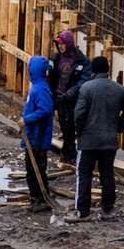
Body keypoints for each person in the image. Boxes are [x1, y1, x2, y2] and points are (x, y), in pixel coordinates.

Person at [70, 55, 124, 219]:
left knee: (84, 174)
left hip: (88, 141)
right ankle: (107, 210)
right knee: (107, 174)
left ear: (93, 70)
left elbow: (78, 114)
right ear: (107, 70)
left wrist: (80, 132)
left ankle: (83, 213)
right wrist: (118, 127)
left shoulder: (86, 88)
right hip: (109, 141)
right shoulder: (118, 89)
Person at [20, 55, 55, 212]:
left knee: (36, 170)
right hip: (33, 135)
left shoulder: (40, 88)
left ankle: (40, 199)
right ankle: (36, 198)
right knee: (32, 170)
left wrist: (27, 120)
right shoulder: (36, 86)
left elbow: (45, 110)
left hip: (38, 137)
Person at [49, 30, 89, 166]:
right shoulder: (56, 58)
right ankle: (68, 153)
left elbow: (84, 79)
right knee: (65, 126)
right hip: (60, 96)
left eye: (62, 44)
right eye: (58, 44)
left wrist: (71, 93)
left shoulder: (81, 60)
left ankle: (70, 153)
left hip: (73, 99)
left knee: (72, 126)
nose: (60, 47)